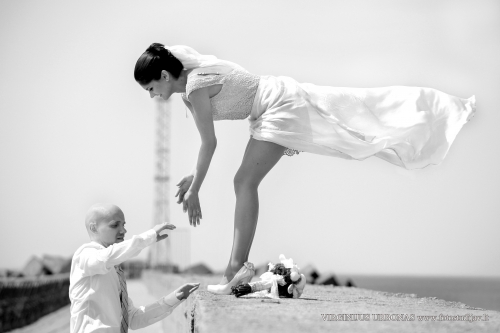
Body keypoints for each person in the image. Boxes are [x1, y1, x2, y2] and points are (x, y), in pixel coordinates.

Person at [134, 44, 476, 295]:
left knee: (244, 181)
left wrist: (196, 190)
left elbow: (210, 145)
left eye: (151, 89)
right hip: (275, 103)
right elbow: (206, 141)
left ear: (164, 76)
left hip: (278, 105)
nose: (152, 96)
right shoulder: (189, 89)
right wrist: (195, 177)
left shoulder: (194, 88)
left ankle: (235, 269)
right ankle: (235, 268)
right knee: (245, 181)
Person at [69, 203, 200, 332]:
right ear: (93, 228)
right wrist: (149, 236)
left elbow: (132, 318)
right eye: (115, 225)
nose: (123, 230)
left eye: (123, 225)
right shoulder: (84, 255)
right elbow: (107, 257)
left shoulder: (114, 269)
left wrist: (173, 298)